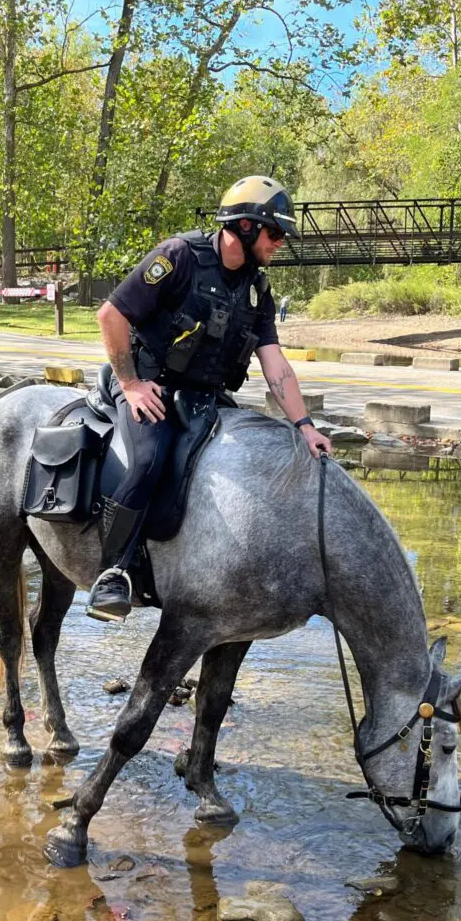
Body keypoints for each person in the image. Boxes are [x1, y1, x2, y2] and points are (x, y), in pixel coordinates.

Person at [85, 175, 332, 623]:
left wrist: (305, 426)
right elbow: (111, 315)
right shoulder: (179, 256)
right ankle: (112, 573)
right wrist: (131, 384)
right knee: (148, 460)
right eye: (274, 233)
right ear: (245, 226)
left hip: (205, 398)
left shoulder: (257, 288)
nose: (279, 245)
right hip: (151, 387)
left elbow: (276, 367)